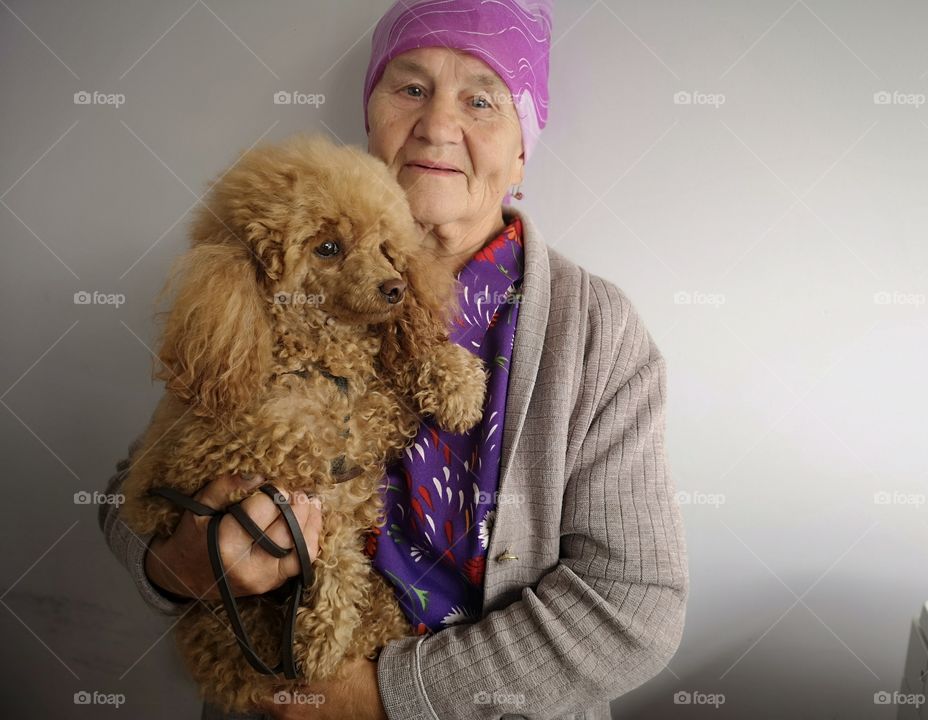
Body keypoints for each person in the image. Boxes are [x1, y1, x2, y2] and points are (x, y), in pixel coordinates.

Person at [99, 2, 689, 719]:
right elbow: (132, 492)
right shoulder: (275, 276)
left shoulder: (596, 330)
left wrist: (378, 697)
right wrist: (185, 565)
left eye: (481, 99)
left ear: (523, 151)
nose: (440, 124)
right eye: (410, 88)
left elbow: (634, 605)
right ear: (371, 119)